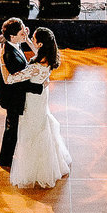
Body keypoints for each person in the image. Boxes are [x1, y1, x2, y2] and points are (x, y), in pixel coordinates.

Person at [7, 27, 71, 189]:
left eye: (34, 39)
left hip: (34, 100)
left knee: (33, 129)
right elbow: (36, 50)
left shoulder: (35, 67)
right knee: (42, 124)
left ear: (41, 43)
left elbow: (10, 79)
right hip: (42, 96)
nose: (32, 41)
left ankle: (36, 169)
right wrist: (28, 39)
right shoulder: (49, 57)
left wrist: (1, 60)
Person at [0, 18, 41, 170]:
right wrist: (39, 88)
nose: (25, 33)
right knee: (11, 128)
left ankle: (6, 157)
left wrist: (25, 38)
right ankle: (5, 160)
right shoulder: (11, 56)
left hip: (12, 94)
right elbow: (19, 83)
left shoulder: (9, 41)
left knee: (12, 127)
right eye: (22, 32)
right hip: (13, 97)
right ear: (12, 37)